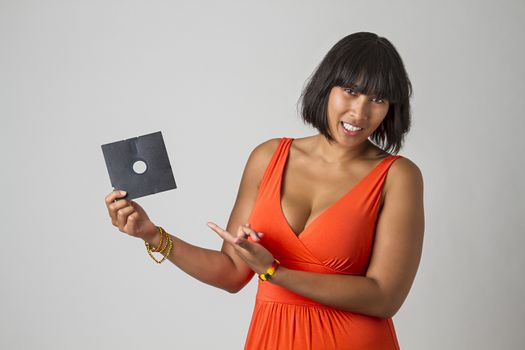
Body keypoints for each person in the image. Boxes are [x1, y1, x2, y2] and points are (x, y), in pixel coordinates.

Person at [105, 32, 424, 349]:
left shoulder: (398, 176)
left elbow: (384, 297)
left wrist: (275, 272)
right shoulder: (269, 158)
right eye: (351, 91)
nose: (360, 112)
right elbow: (231, 273)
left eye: (378, 99)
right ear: (327, 86)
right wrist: (152, 235)